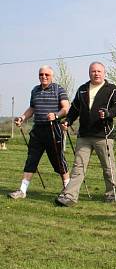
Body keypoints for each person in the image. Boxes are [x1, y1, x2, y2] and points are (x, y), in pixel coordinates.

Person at [55, 61, 116, 206]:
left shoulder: (111, 89)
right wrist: (68, 120)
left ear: (104, 73)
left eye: (99, 71)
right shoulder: (82, 89)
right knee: (78, 166)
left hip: (103, 134)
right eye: (93, 71)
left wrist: (108, 113)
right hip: (84, 135)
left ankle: (111, 194)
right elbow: (74, 108)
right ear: (89, 73)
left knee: (108, 167)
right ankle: (70, 196)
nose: (96, 73)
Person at [8, 65, 70, 199]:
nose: (44, 77)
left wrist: (56, 115)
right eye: (41, 74)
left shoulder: (58, 89)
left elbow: (66, 108)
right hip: (38, 131)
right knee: (31, 159)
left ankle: (68, 189)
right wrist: (22, 118)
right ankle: (22, 191)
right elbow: (32, 108)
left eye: (47, 74)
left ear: (52, 76)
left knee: (58, 160)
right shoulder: (35, 90)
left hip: (53, 130)